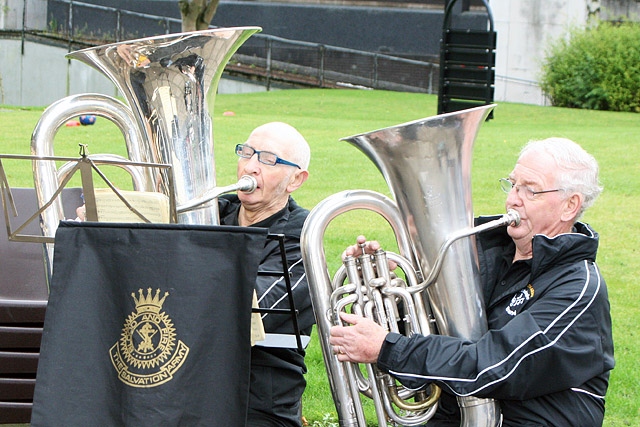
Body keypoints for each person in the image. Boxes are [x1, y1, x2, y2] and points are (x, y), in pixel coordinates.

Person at [329, 137, 614, 426]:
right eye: (514, 184)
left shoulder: (578, 289)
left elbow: (494, 365)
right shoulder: (476, 253)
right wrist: (382, 294)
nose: (513, 198)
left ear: (570, 206)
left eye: (531, 190)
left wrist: (390, 348)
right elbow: (430, 331)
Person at [218, 122, 314, 427]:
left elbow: (251, 310)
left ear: (295, 180)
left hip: (258, 396)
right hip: (185, 379)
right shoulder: (212, 212)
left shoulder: (305, 235)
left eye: (268, 160)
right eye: (247, 152)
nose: (251, 166)